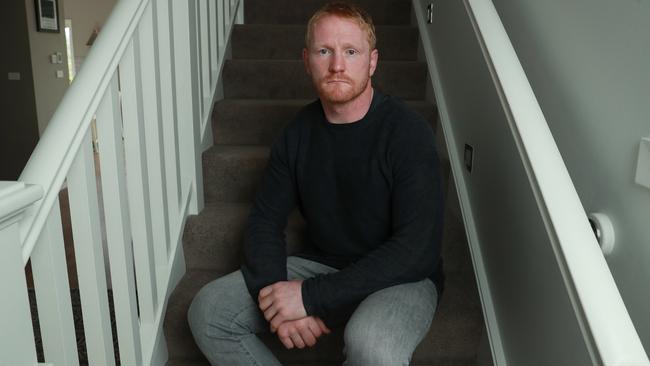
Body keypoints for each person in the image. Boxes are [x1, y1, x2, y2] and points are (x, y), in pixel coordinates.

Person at [188, 2, 444, 365]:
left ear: (371, 62)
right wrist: (277, 301)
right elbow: (265, 221)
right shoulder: (297, 134)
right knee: (209, 312)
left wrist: (309, 298)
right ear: (307, 59)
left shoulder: (408, 134)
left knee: (372, 346)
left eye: (350, 52)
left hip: (402, 277)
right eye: (325, 51)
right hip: (326, 265)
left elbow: (416, 249)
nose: (337, 65)